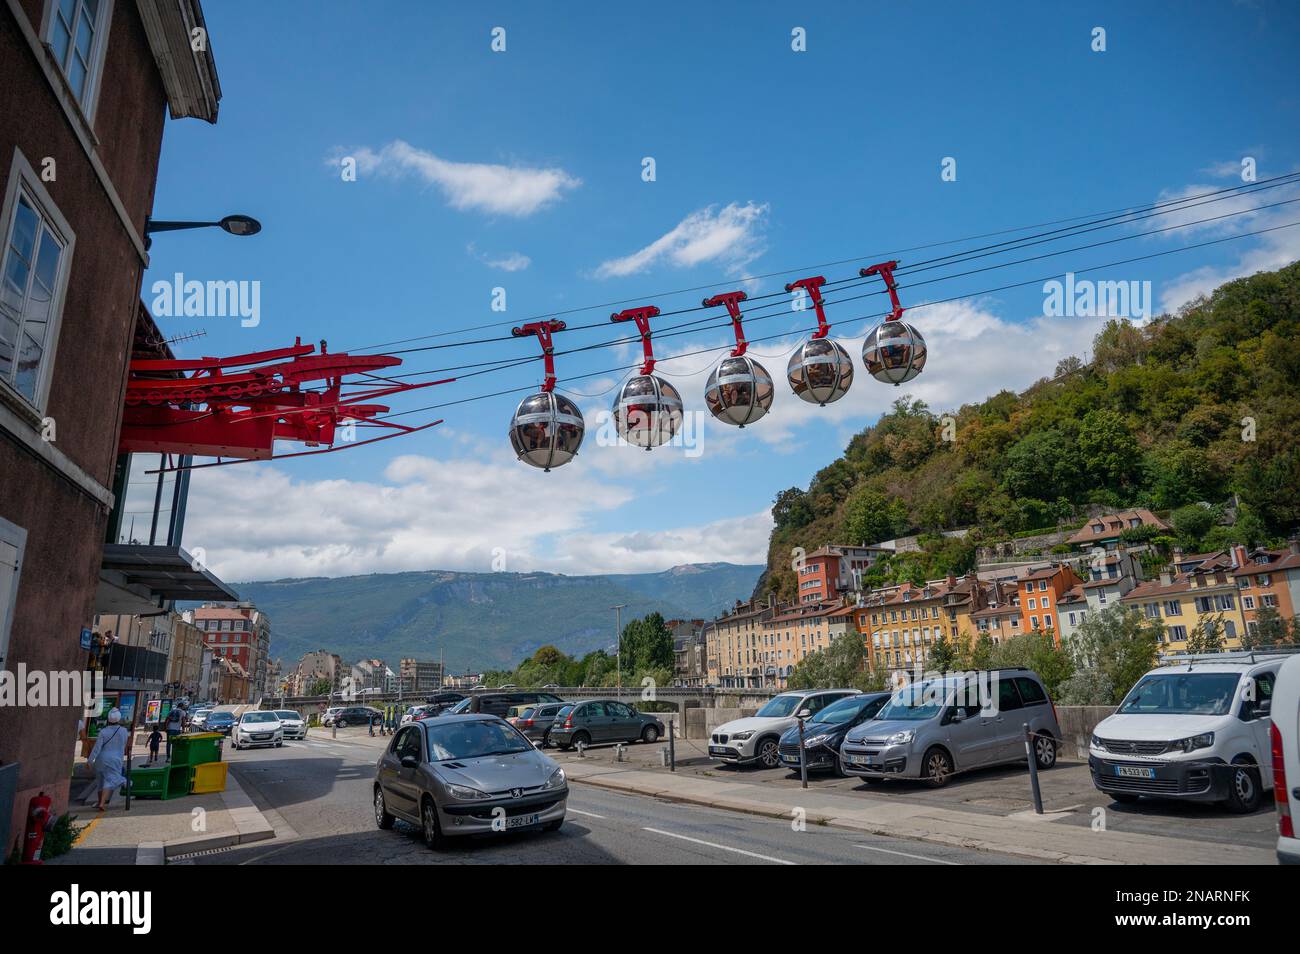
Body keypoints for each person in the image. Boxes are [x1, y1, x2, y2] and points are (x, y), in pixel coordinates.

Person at [87, 708, 130, 811]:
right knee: (109, 780)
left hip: (101, 759)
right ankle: (102, 802)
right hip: (115, 759)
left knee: (100, 781)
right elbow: (124, 745)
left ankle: (99, 802)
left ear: (108, 719)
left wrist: (89, 761)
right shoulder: (124, 731)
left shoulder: (103, 731)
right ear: (119, 719)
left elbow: (97, 748)